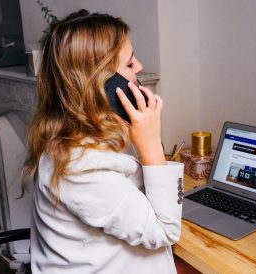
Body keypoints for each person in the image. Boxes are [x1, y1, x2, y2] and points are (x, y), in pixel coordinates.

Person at [23, 9, 184, 274]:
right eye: (130, 64)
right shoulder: (81, 168)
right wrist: (151, 143)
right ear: (101, 85)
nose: (140, 67)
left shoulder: (69, 136)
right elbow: (164, 231)